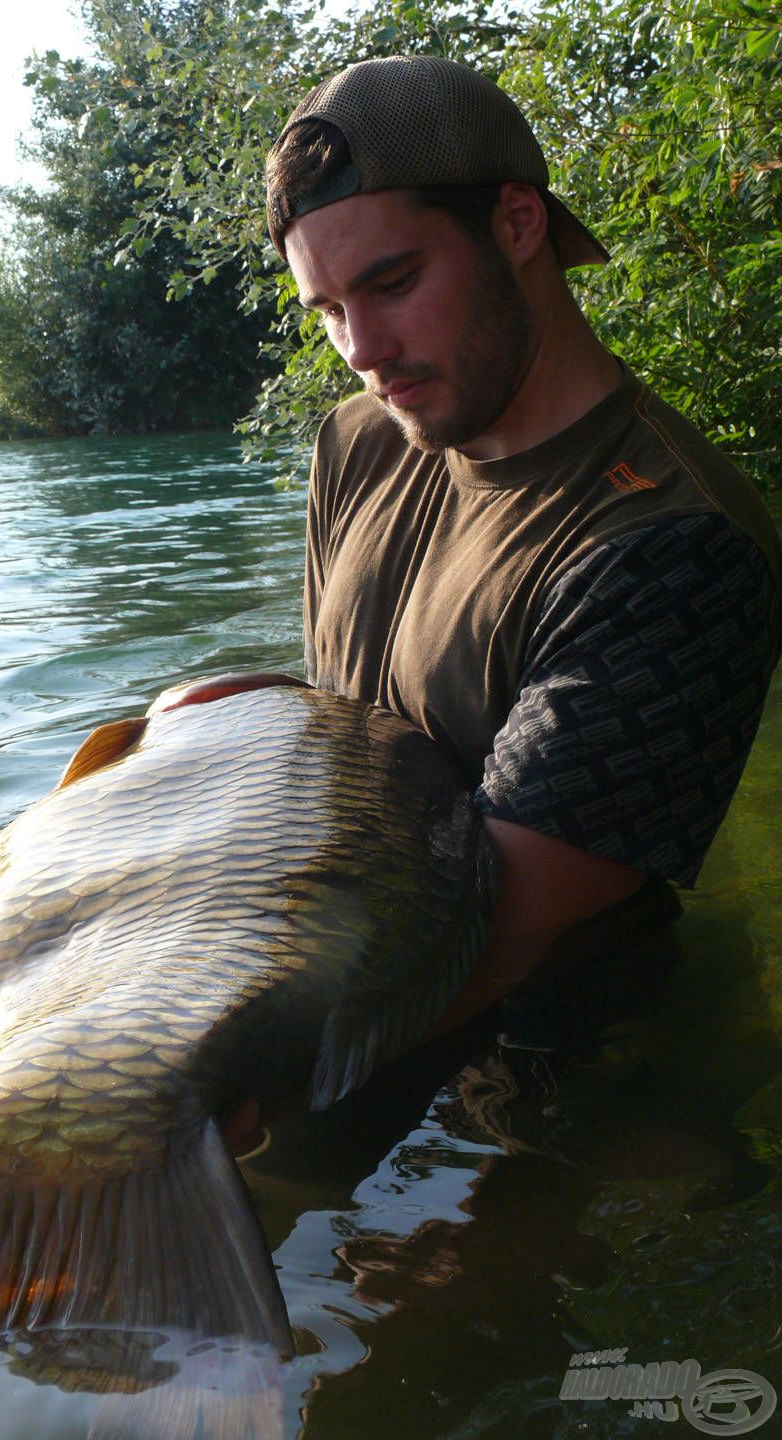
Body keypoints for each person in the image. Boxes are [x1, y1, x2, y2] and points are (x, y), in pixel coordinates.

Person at [263, 55, 781, 1034]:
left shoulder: (675, 545)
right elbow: (337, 746)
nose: (362, 349)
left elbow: (500, 931)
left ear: (517, 222)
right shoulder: (360, 441)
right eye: (328, 311)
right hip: (352, 985)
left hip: (585, 1081)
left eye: (393, 282)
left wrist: (189, 1074)